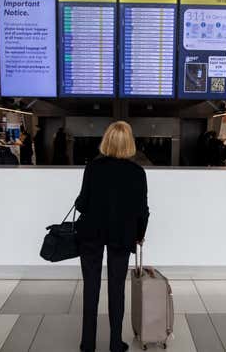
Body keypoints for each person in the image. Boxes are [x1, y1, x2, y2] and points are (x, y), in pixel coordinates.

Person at [75, 121, 149, 352]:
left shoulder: (93, 167)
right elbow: (142, 211)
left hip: (91, 234)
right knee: (117, 289)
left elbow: (82, 204)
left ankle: (88, 344)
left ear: (106, 141)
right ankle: (115, 343)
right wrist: (140, 235)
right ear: (130, 143)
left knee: (91, 288)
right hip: (121, 235)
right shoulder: (138, 173)